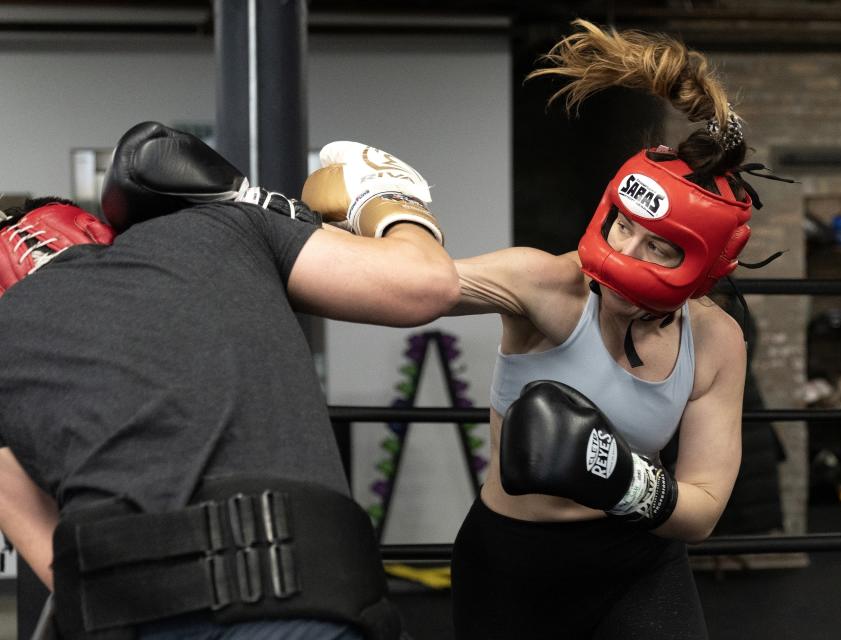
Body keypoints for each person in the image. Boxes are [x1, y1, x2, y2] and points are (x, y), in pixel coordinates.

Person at [0, 121, 458, 640]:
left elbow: (57, 566)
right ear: (93, 230)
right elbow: (428, 283)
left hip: (125, 616)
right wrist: (386, 198)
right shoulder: (216, 229)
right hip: (292, 597)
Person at [448, 19, 769, 639]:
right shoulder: (542, 286)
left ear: (705, 264)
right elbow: (418, 286)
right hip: (512, 564)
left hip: (637, 563)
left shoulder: (714, 339)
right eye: (625, 226)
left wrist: (622, 478)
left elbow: (701, 507)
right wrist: (379, 204)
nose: (629, 252)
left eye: (660, 248)